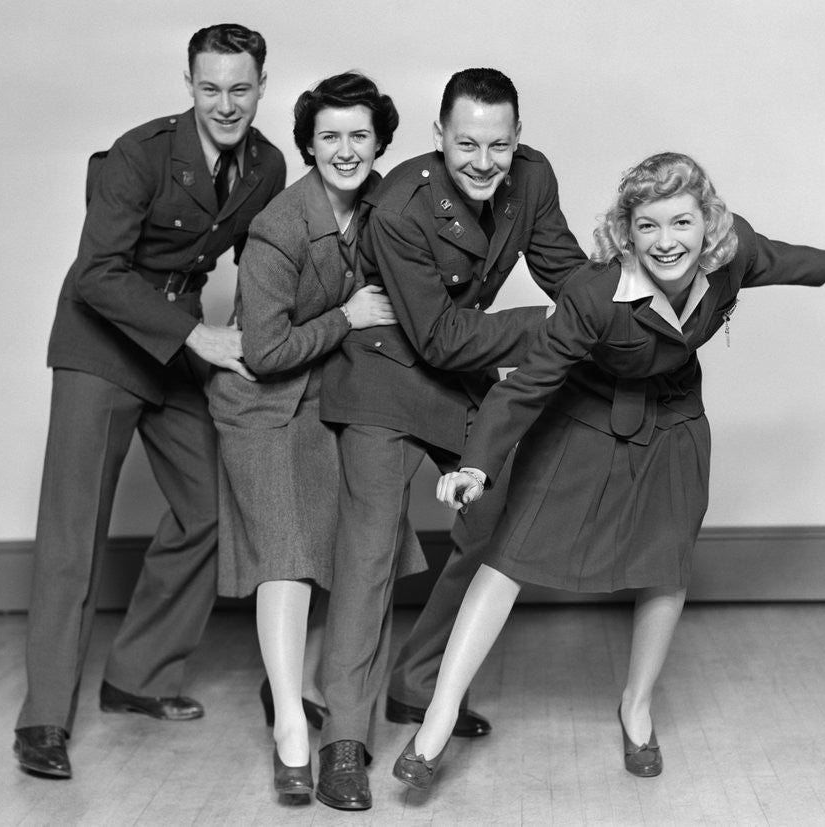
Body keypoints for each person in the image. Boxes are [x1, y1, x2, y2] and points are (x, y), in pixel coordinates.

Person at [395, 151, 825, 790]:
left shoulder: (731, 256)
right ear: (628, 231)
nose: (666, 241)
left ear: (709, 225)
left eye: (681, 223)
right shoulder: (595, 295)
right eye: (647, 225)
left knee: (666, 563)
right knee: (507, 555)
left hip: (673, 422)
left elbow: (778, 259)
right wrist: (478, 469)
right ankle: (438, 718)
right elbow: (525, 386)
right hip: (584, 418)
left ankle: (637, 708)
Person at [13, 23, 287, 780]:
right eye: (210, 87)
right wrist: (198, 337)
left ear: (262, 85)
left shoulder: (266, 165)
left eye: (240, 88)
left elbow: (265, 265)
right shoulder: (138, 153)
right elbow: (97, 274)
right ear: (189, 84)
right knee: (72, 534)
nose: (225, 103)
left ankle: (137, 675)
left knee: (209, 508)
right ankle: (42, 719)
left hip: (175, 348)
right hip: (102, 342)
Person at [315, 68, 587, 811]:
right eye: (466, 142)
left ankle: (417, 682)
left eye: (499, 144)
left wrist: (637, 304)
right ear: (439, 138)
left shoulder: (531, 179)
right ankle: (342, 738)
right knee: (370, 550)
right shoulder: (401, 204)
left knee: (493, 525)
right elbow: (436, 336)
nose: (483, 160)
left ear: (517, 139)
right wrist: (545, 328)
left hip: (455, 374)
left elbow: (568, 275)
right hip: (382, 373)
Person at [206, 72, 422, 803]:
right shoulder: (279, 224)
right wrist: (348, 318)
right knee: (289, 554)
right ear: (307, 144)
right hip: (262, 405)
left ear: (380, 140)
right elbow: (263, 352)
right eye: (329, 135)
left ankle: (302, 687)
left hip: (330, 398)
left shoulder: (391, 205)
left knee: (363, 547)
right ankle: (291, 728)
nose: (345, 149)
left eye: (359, 134)